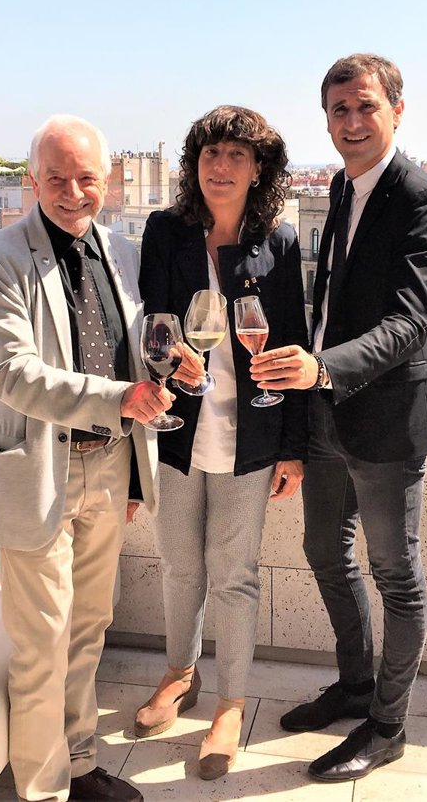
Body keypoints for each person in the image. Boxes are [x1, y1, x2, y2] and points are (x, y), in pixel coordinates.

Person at [0, 114, 191, 802]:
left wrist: (175, 363)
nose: (72, 191)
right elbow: (13, 375)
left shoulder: (124, 253)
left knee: (88, 629)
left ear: (108, 181)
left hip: (110, 465)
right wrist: (122, 399)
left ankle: (79, 765)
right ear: (32, 181)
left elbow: (138, 346)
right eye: (55, 177)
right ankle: (43, 790)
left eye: (86, 177)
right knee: (42, 642)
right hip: (36, 472)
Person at [250, 54, 427, 783]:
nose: (353, 122)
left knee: (396, 574)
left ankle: (388, 725)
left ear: (397, 109)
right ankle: (356, 684)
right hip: (327, 411)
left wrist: (324, 366)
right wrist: (312, 388)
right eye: (339, 110)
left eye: (366, 106)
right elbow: (332, 301)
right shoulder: (340, 186)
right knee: (324, 551)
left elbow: (409, 321)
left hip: (388, 420)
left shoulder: (422, 198)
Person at [133, 105, 308, 780]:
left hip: (251, 433)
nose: (222, 166)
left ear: (259, 169)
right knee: (180, 564)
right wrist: (166, 355)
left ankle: (230, 705)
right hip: (179, 427)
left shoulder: (278, 243)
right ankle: (180, 674)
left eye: (237, 155)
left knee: (234, 574)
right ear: (195, 165)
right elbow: (152, 321)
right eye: (211, 154)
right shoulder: (166, 231)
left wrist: (294, 447)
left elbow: (293, 343)